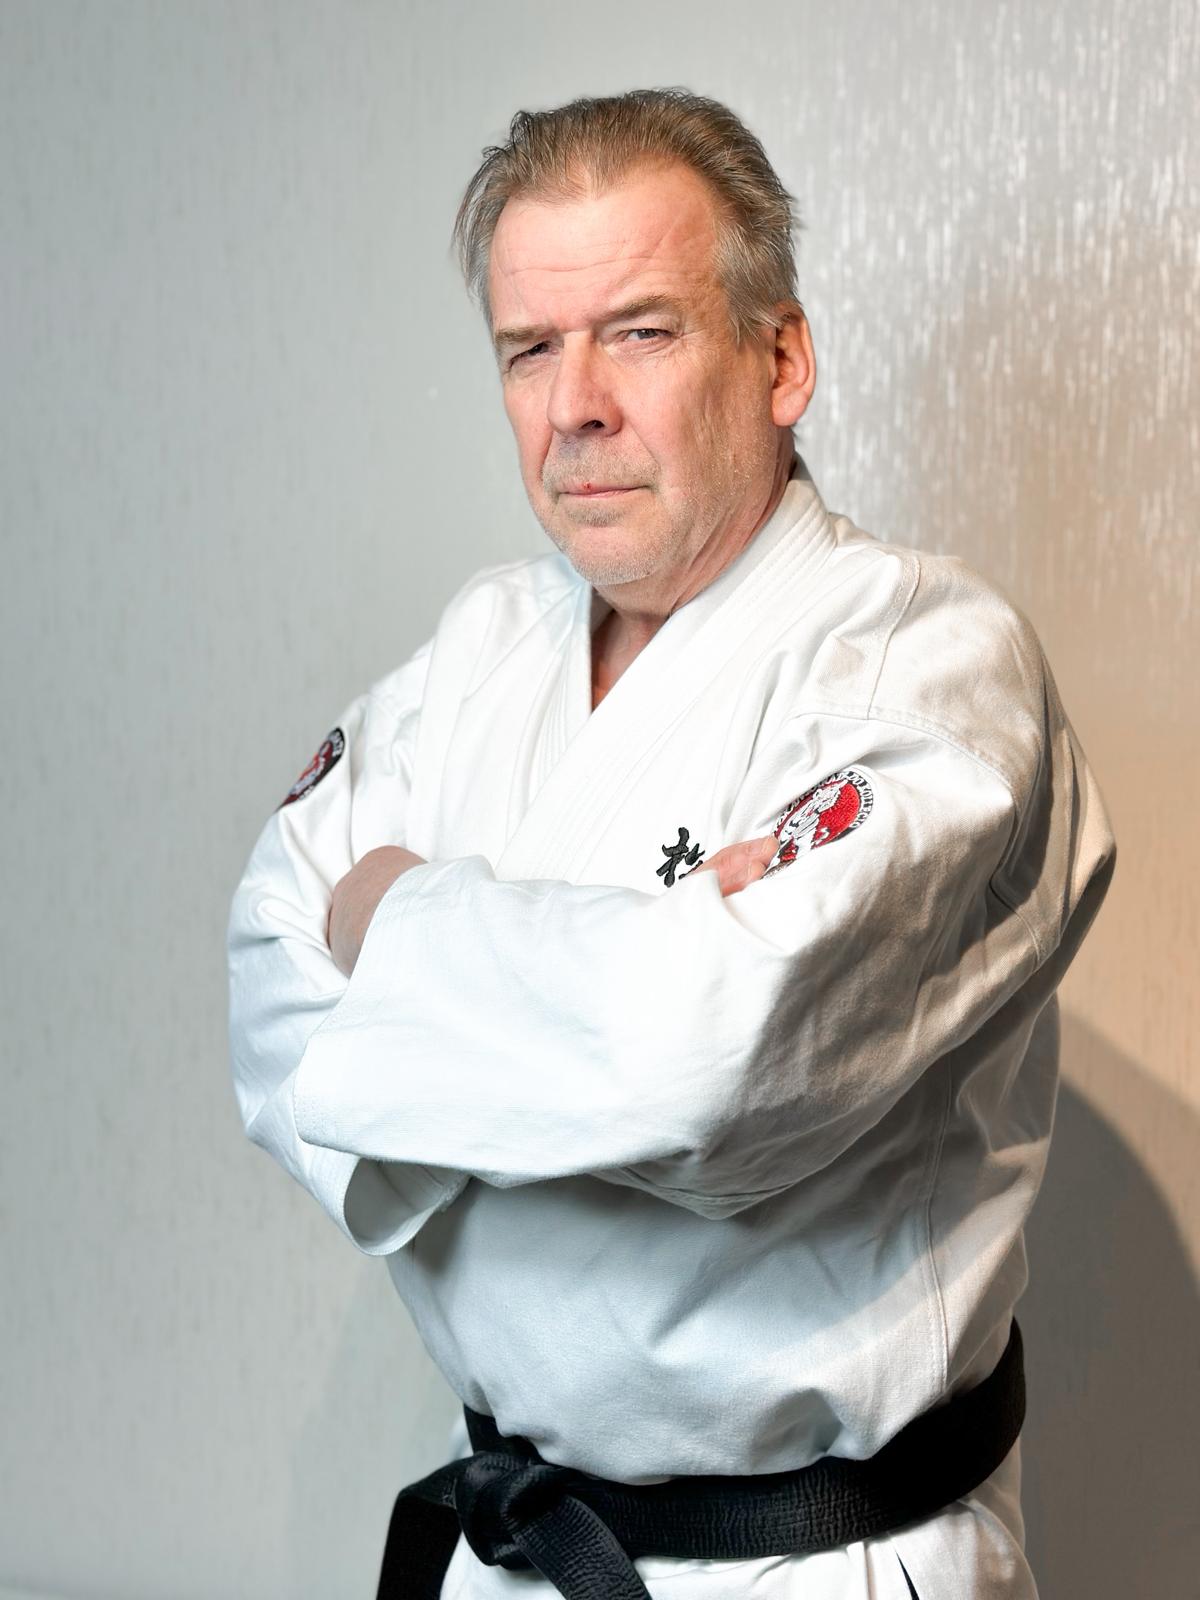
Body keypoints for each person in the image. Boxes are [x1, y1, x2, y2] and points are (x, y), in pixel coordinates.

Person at [227, 89, 1115, 1600]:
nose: (574, 404)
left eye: (638, 332)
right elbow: (267, 988)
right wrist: (635, 969)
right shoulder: (481, 651)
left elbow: (714, 1061)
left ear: (782, 360)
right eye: (529, 348)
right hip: (515, 1551)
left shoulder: (928, 664)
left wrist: (397, 926)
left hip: (818, 1560)